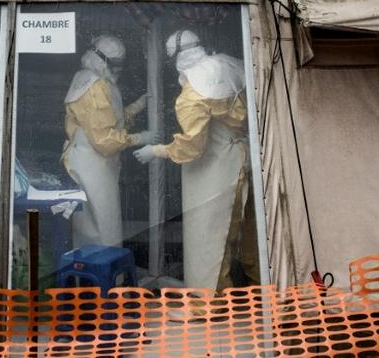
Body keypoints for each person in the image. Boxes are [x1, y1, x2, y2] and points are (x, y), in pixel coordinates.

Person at [133, 29, 259, 290]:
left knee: (209, 238)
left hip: (215, 170)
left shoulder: (192, 93)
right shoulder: (226, 63)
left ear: (176, 59)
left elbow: (192, 147)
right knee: (249, 235)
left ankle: (208, 306)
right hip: (242, 158)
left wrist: (156, 150)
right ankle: (266, 295)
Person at [63, 34, 155, 248]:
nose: (119, 69)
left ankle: (92, 278)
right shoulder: (94, 87)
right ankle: (105, 280)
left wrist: (137, 106)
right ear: (102, 61)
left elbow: (108, 119)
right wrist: (140, 138)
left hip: (91, 164)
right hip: (93, 165)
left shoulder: (92, 79)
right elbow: (104, 140)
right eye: (116, 64)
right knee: (103, 231)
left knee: (93, 229)